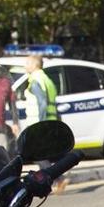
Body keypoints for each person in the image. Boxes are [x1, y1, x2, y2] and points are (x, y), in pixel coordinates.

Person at [24, 55, 68, 192]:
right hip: (50, 121)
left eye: (27, 63)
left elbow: (42, 102)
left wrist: (41, 125)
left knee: (37, 155)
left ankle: (58, 178)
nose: (25, 66)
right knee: (42, 155)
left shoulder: (36, 80)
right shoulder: (47, 80)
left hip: (39, 123)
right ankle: (52, 181)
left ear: (34, 65)